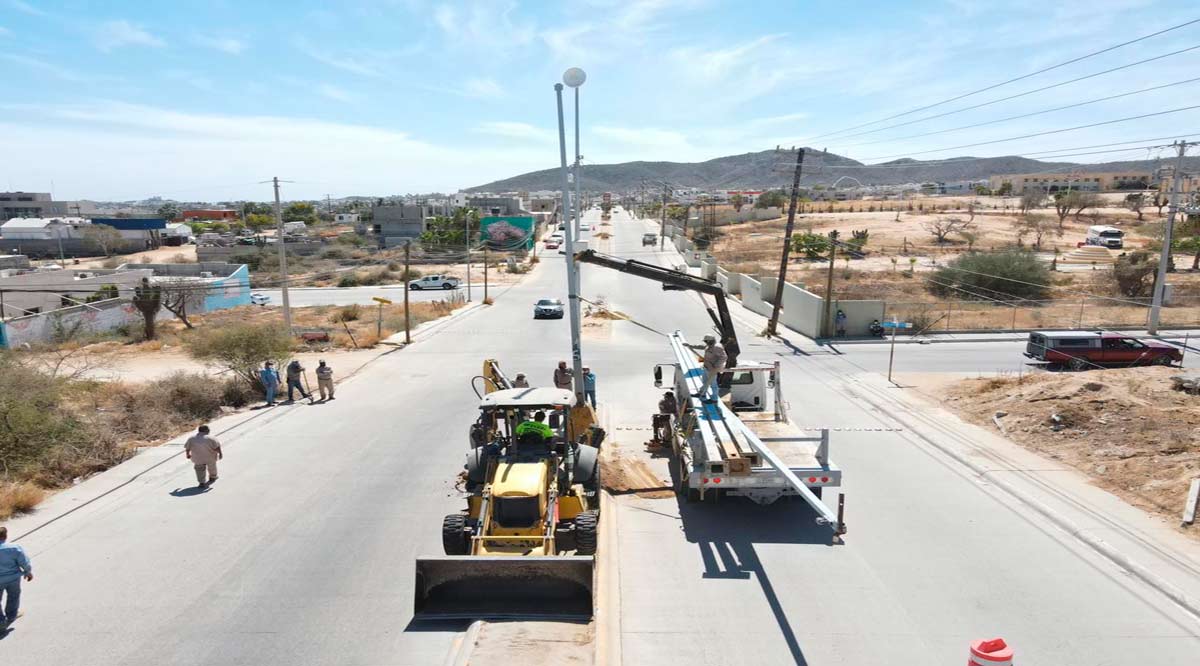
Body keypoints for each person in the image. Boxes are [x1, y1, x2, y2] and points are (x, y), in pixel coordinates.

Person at [0, 525, 33, 630]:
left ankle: (1, 621)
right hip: (13, 579)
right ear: (5, 536)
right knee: (13, 596)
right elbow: (24, 562)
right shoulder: (14, 548)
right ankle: (11, 615)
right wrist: (28, 572)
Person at [691, 335, 727, 402]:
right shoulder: (709, 346)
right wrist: (691, 346)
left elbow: (723, 357)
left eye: (706, 341)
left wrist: (716, 366)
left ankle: (714, 399)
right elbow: (702, 347)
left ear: (710, 341)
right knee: (705, 381)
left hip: (713, 369)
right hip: (707, 367)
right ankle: (702, 393)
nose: (705, 343)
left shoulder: (717, 347)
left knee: (713, 384)